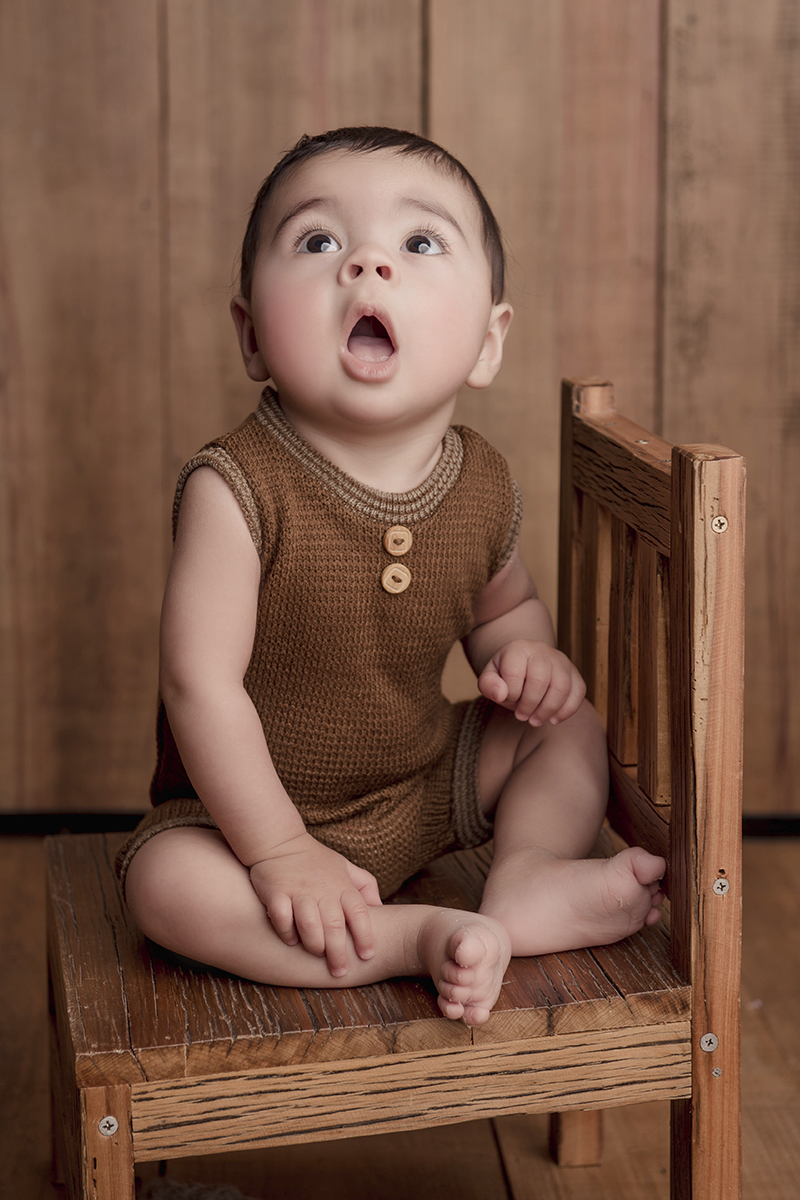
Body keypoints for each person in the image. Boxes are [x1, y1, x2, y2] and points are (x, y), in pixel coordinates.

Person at [119, 127, 665, 1027]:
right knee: (163, 887)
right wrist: (280, 849)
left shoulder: (481, 483)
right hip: (240, 815)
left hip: (419, 783)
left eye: (418, 244)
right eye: (318, 242)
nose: (366, 264)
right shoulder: (238, 488)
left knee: (568, 728)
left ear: (488, 344)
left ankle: (525, 879)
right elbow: (199, 685)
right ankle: (411, 937)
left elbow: (508, 607)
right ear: (251, 333)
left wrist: (527, 657)